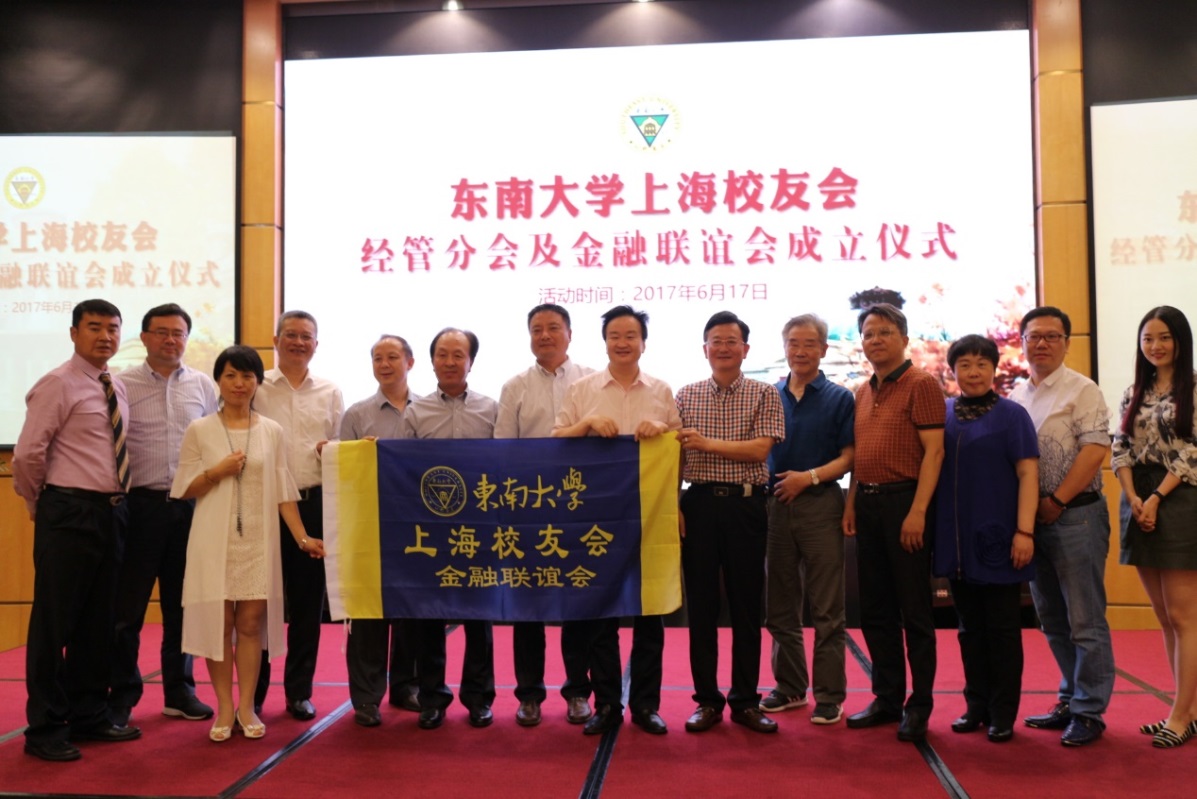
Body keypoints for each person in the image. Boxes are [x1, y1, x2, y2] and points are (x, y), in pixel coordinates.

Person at [171, 345, 325, 742]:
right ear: (218, 381)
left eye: (247, 376)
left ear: (257, 382)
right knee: (220, 625)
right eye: (230, 376)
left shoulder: (271, 430)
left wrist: (302, 537)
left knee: (251, 624)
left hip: (258, 540)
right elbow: (184, 488)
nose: (239, 384)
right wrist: (217, 471)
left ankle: (246, 706)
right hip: (213, 540)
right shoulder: (200, 429)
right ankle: (224, 706)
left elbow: (284, 491)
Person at [14, 299, 141, 762]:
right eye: (94, 327)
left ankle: (88, 714)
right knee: (55, 623)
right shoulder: (58, 383)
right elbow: (28, 454)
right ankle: (46, 727)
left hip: (112, 512)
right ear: (73, 333)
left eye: (113, 328)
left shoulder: (115, 384)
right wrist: (41, 504)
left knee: (98, 622)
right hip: (69, 511)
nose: (105, 336)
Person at [553, 305, 682, 736]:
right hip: (596, 518)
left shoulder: (661, 391)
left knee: (650, 615)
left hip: (650, 516)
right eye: (615, 335)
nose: (623, 342)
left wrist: (661, 428)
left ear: (643, 342)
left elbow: (677, 448)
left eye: (631, 335)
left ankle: (645, 705)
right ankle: (607, 704)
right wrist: (587, 423)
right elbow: (555, 440)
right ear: (604, 341)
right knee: (600, 617)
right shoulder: (582, 390)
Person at [109, 303, 219, 728]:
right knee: (127, 611)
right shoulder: (122, 384)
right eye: (161, 332)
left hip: (189, 508)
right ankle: (121, 697)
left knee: (182, 607)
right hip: (138, 506)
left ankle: (180, 691)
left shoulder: (203, 385)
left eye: (178, 333)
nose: (171, 340)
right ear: (144, 338)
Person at [676, 311, 785, 735]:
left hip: (745, 506)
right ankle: (707, 701)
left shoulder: (764, 393)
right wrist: (674, 504)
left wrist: (706, 443)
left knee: (746, 607)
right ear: (704, 349)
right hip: (698, 505)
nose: (723, 348)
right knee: (701, 608)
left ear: (746, 349)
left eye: (731, 341)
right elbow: (676, 458)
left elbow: (759, 451)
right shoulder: (685, 395)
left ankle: (745, 701)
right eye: (716, 341)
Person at [1010, 306, 1114, 747]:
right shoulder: (1016, 395)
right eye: (1034, 336)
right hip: (1033, 522)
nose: (1042, 343)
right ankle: (1071, 698)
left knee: (1085, 621)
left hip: (1077, 516)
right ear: (1022, 342)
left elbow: (1094, 452)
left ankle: (1090, 711)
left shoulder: (1082, 390)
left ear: (1067, 343)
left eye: (1052, 336)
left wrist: (1056, 501)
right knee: (1052, 618)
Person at [843, 302, 944, 742]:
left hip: (906, 502)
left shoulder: (922, 384)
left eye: (884, 332)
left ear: (904, 339)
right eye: (868, 333)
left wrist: (918, 511)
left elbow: (935, 453)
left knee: (915, 611)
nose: (875, 340)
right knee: (876, 610)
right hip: (866, 503)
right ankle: (886, 698)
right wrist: (851, 503)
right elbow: (860, 456)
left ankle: (919, 706)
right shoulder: (862, 391)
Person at [495, 304, 596, 727]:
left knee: (578, 604)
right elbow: (503, 448)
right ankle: (529, 695)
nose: (545, 335)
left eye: (554, 328)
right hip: (528, 511)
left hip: (578, 509)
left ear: (570, 334)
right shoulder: (514, 386)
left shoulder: (592, 381)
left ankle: (578, 692)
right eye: (537, 329)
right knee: (528, 608)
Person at [934, 334, 1038, 744]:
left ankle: (1002, 712)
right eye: (965, 364)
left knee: (1002, 630)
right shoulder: (943, 413)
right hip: (956, 540)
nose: (973, 372)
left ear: (994, 369)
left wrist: (1024, 531)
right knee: (968, 628)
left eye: (981, 364)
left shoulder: (1013, 415)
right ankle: (975, 705)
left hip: (999, 538)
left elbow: (1028, 474)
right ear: (953, 370)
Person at [401, 328, 499, 730]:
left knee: (479, 616)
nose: (450, 362)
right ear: (432, 361)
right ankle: (433, 697)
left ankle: (478, 697)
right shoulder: (416, 411)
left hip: (479, 527)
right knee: (430, 616)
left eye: (459, 354)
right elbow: (401, 470)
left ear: (471, 361)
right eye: (442, 354)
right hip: (432, 529)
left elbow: (503, 467)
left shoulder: (491, 409)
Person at [761, 314, 855, 726]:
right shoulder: (769, 395)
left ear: (823, 349)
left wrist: (809, 477)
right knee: (780, 604)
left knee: (827, 607)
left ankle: (830, 696)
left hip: (821, 503)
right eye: (793, 343)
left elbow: (850, 457)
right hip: (775, 506)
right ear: (784, 347)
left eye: (809, 344)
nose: (800, 351)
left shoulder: (840, 398)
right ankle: (790, 687)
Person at [1111, 306, 1197, 748]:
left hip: (1179, 499)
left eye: (1164, 337)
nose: (1155, 346)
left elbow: (1192, 452)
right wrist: (1132, 497)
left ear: (1180, 341)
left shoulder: (1194, 389)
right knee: (1164, 616)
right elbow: (1121, 447)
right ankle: (1188, 710)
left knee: (1184, 617)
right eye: (1148, 338)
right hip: (1138, 501)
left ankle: (1181, 715)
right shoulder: (1134, 391)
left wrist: (1158, 497)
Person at [253, 310, 344, 721]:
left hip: (313, 504)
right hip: (263, 504)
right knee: (258, 604)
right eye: (290, 334)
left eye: (306, 336)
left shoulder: (330, 391)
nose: (298, 342)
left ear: (316, 345)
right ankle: (253, 693)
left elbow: (341, 446)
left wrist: (333, 451)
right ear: (276, 340)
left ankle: (298, 693)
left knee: (307, 607)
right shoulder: (256, 387)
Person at [340, 334, 423, 727]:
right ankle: (367, 696)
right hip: (369, 524)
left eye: (392, 357)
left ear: (410, 362)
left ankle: (407, 686)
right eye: (377, 358)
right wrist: (358, 456)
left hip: (417, 525)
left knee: (412, 611)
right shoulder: (357, 414)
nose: (384, 364)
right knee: (368, 612)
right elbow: (341, 472)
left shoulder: (428, 410)